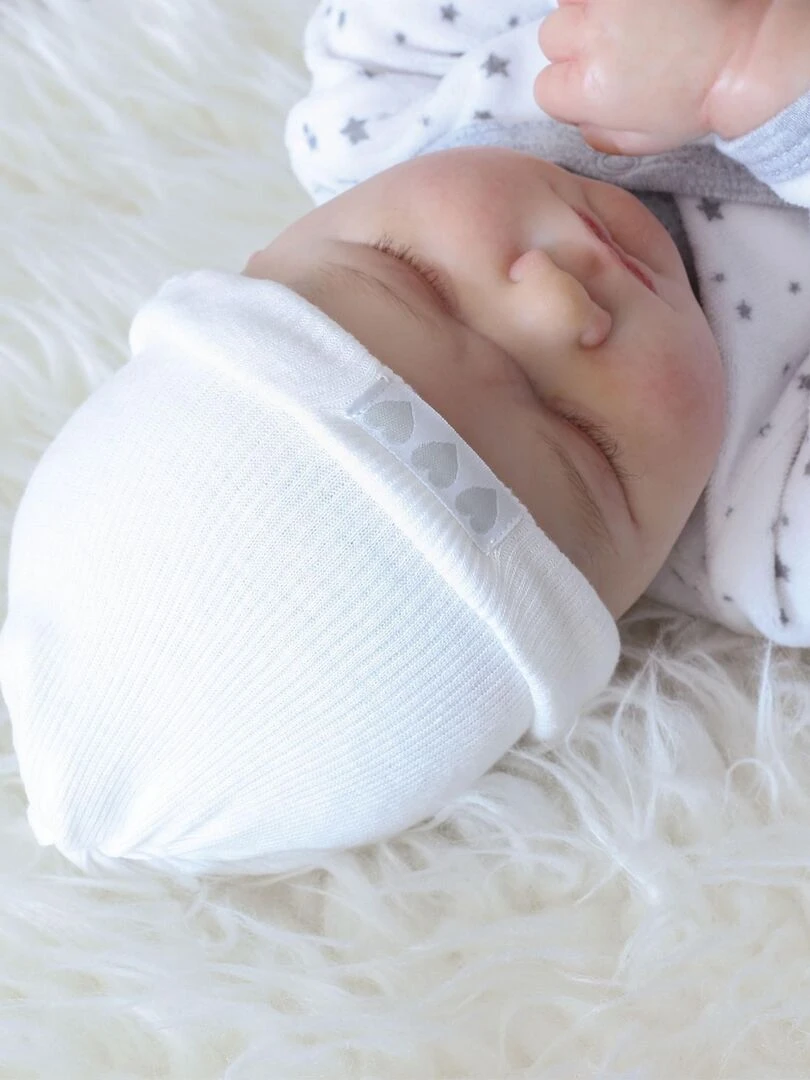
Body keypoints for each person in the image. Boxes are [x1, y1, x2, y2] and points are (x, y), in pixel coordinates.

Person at [0, 0, 808, 876]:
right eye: (584, 441)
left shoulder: (384, 103)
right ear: (617, 601)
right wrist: (759, 74)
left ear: (276, 252)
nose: (553, 301)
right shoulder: (772, 525)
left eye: (418, 282)